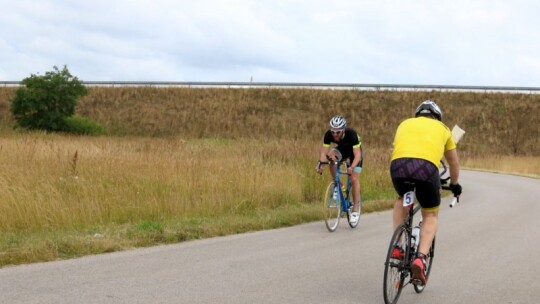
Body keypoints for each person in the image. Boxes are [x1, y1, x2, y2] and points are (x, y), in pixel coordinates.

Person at [389, 100, 462, 286]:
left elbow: (395, 149)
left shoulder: (404, 124)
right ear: (437, 117)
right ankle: (420, 259)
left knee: (402, 199)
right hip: (425, 169)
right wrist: (454, 184)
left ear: (418, 114)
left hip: (398, 166)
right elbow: (453, 163)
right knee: (430, 214)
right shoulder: (444, 129)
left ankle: (397, 246)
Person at [316, 115, 363, 225]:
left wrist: (351, 167)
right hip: (342, 150)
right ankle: (337, 185)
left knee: (353, 178)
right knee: (331, 155)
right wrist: (321, 164)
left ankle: (355, 209)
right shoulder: (328, 135)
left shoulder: (351, 134)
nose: (335, 135)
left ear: (343, 130)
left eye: (338, 132)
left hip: (354, 154)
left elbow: (357, 155)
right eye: (333, 132)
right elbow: (324, 153)